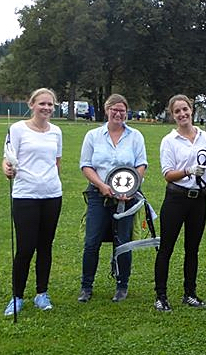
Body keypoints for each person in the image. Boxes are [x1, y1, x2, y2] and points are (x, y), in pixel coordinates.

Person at [154, 94, 206, 312]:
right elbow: (168, 174)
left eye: (185, 109)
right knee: (166, 248)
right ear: (172, 115)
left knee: (192, 249)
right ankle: (161, 296)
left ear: (191, 110)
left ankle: (190, 293)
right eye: (177, 111)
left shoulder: (205, 137)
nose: (182, 114)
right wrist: (188, 170)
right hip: (176, 198)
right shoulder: (169, 141)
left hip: (198, 200)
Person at [78, 94, 148, 303]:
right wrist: (102, 185)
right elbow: (86, 165)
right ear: (107, 110)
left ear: (126, 112)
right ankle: (86, 286)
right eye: (114, 109)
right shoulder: (93, 135)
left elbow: (141, 165)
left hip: (127, 198)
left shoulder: (135, 136)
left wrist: (131, 187)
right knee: (92, 242)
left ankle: (122, 285)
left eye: (122, 110)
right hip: (98, 196)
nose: (118, 113)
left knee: (123, 242)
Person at [2, 88, 63, 316]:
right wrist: (7, 169)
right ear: (32, 105)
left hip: (52, 195)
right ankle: (17, 297)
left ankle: (41, 293)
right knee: (26, 248)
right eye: (42, 104)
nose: (46, 108)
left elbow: (57, 161)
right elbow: (7, 161)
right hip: (25, 195)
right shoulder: (17, 129)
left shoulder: (56, 132)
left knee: (45, 247)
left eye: (50, 104)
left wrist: (51, 181)